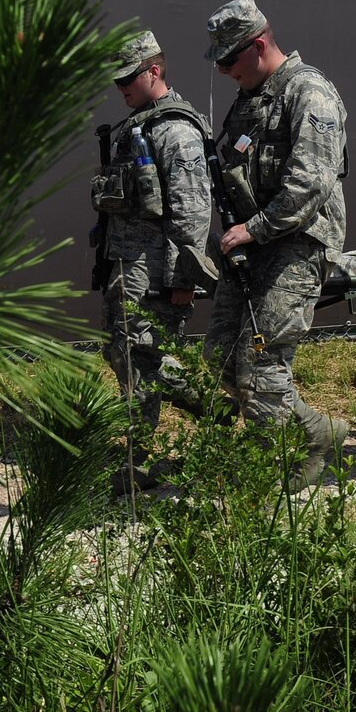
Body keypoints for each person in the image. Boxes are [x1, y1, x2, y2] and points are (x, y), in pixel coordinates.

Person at [202, 0, 351, 488]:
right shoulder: (249, 99)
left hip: (296, 244)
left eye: (229, 59)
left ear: (259, 44)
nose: (224, 71)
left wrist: (255, 228)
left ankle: (266, 484)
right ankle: (317, 432)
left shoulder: (308, 91)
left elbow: (310, 184)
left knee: (262, 363)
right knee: (222, 356)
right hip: (254, 245)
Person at [90, 29, 218, 490]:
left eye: (129, 77)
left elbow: (193, 211)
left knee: (138, 356)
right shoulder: (138, 125)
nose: (121, 87)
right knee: (124, 351)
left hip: (155, 271)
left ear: (154, 71)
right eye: (117, 80)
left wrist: (184, 280)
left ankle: (136, 462)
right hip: (127, 264)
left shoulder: (175, 130)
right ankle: (211, 404)